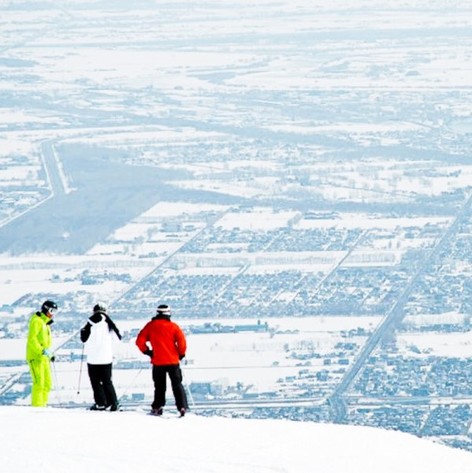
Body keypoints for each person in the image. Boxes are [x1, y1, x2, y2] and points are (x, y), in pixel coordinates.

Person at [136, 304, 188, 416]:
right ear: (168, 313)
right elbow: (182, 342)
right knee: (177, 384)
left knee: (159, 386)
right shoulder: (173, 326)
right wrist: (181, 354)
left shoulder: (150, 326)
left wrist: (148, 352)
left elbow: (139, 341)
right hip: (173, 361)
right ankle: (182, 407)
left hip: (158, 361)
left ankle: (157, 407)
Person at [80, 302, 121, 411]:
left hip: (93, 358)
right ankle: (113, 402)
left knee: (95, 382)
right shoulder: (109, 323)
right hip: (106, 358)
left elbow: (83, 338)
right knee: (107, 381)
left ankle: (101, 403)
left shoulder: (89, 323)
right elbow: (118, 338)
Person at [26, 300, 58, 407]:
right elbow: (32, 339)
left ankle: (43, 405)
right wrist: (41, 351)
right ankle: (37, 407)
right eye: (51, 310)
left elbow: (45, 343)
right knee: (39, 383)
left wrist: (50, 354)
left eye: (54, 311)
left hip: (44, 358)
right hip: (36, 357)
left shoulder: (46, 323)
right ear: (45, 309)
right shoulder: (37, 321)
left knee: (47, 383)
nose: (52, 314)